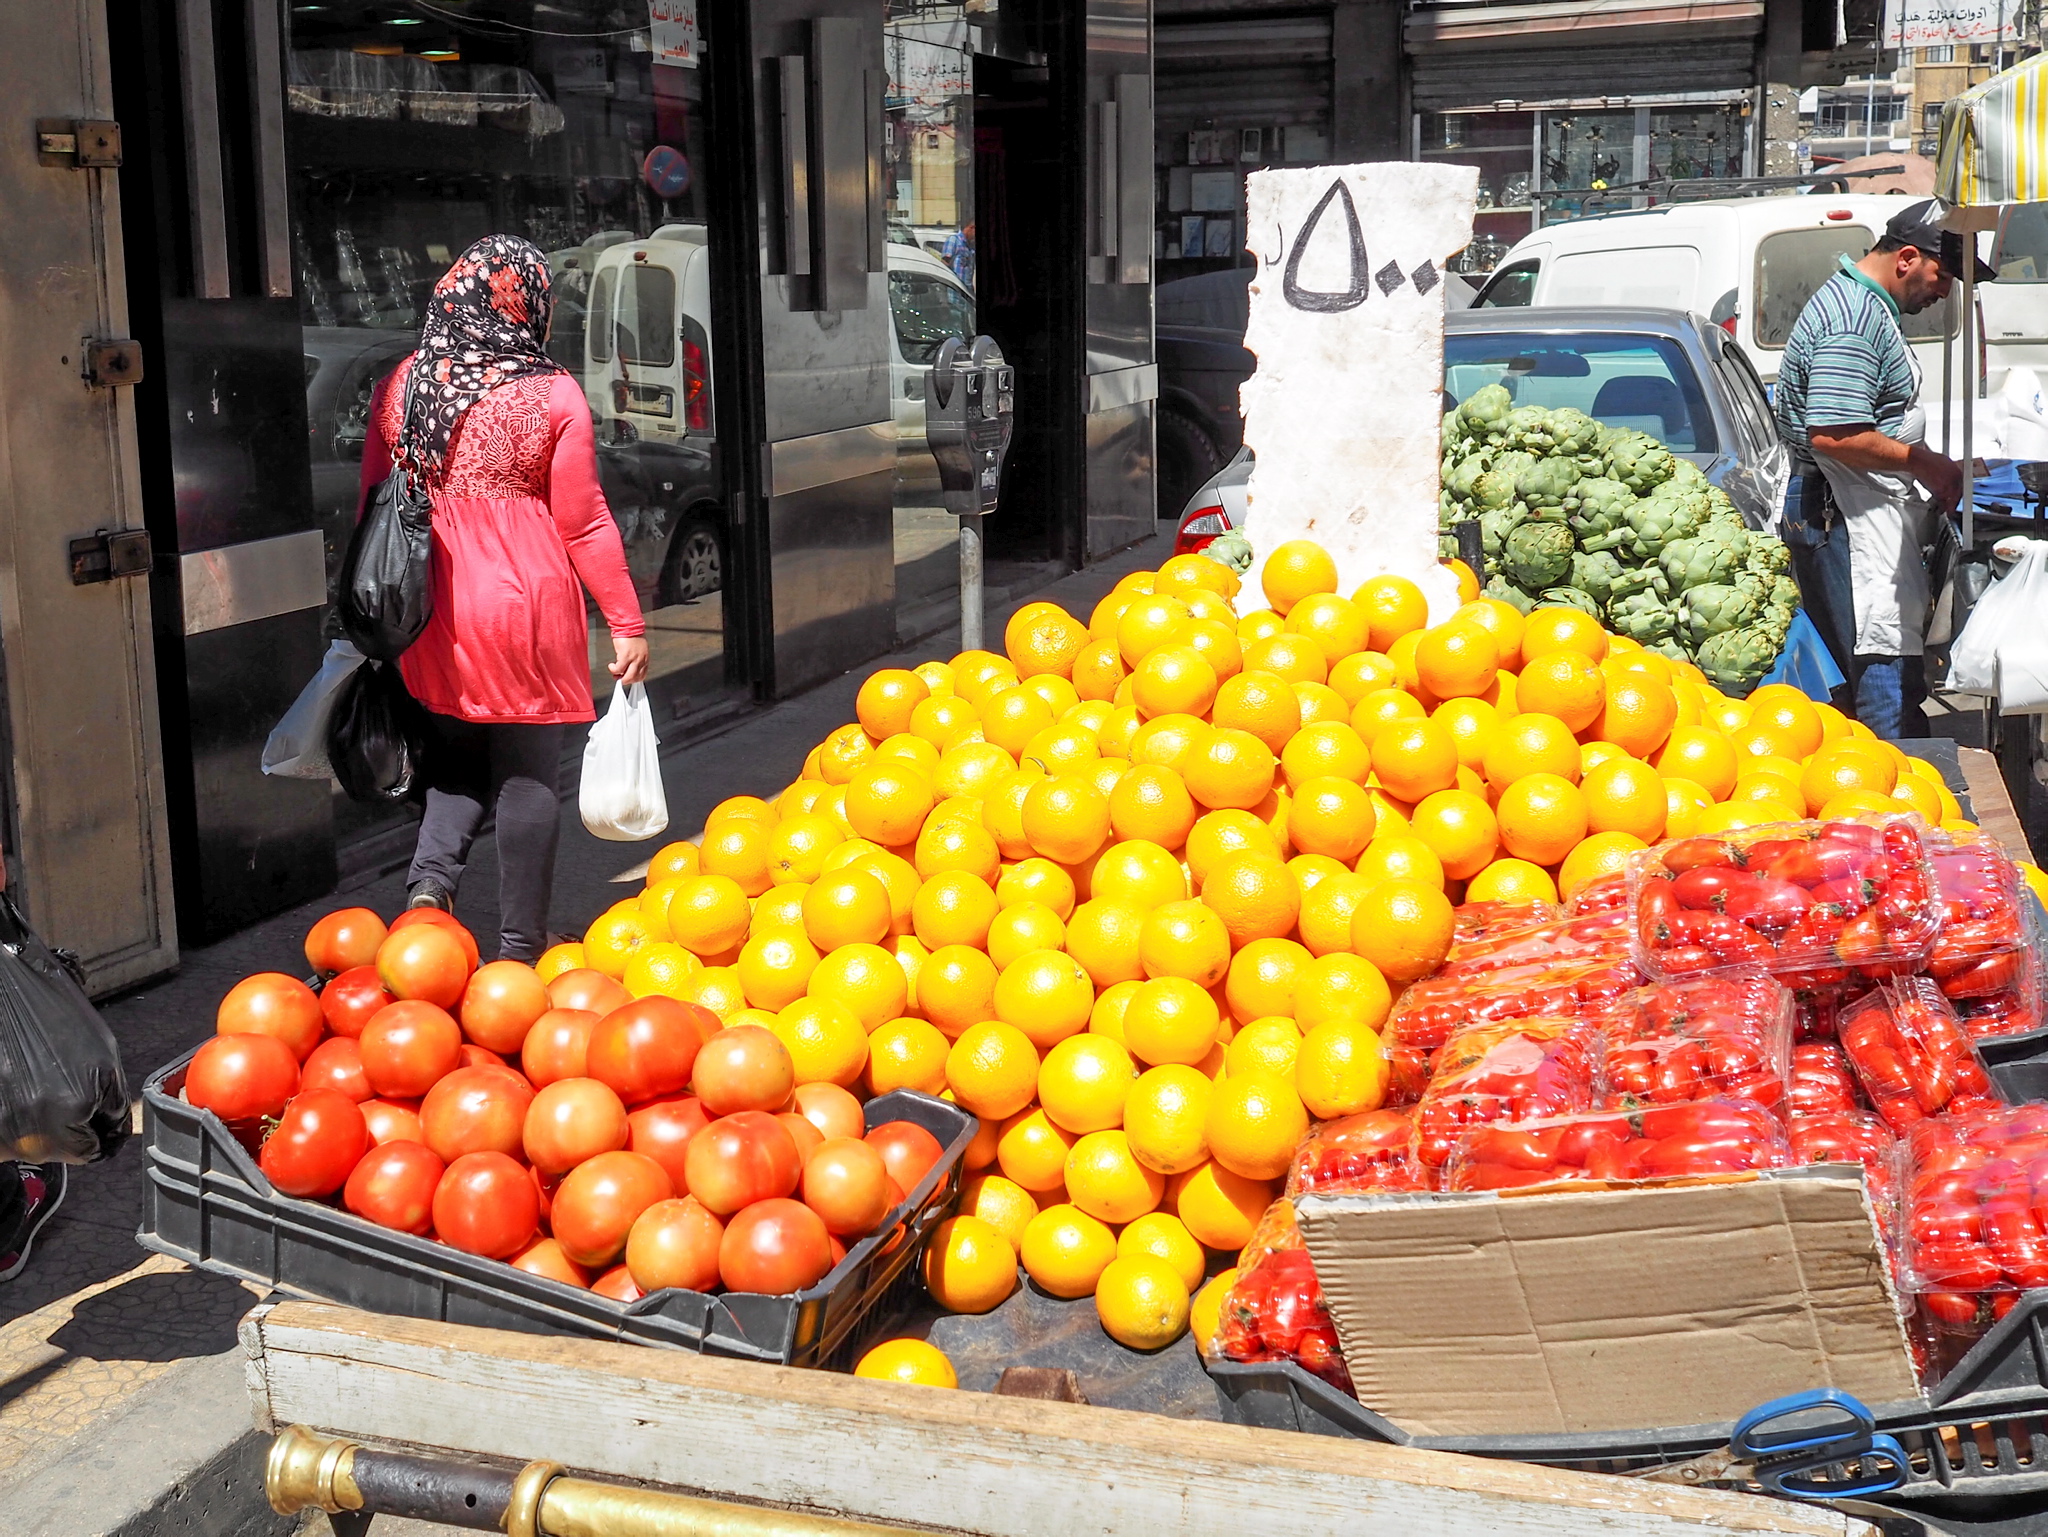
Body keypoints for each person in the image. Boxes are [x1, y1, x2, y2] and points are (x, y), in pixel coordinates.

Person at [360, 235, 648, 961]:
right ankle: (518, 950)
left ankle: (429, 891)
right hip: (524, 610)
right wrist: (627, 622)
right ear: (529, 305)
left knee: (456, 758)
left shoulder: (404, 384)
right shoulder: (551, 393)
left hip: (432, 608)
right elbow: (583, 521)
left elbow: (374, 497)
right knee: (525, 772)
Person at [1773, 199, 1992, 739]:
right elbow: (1834, 432)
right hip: (1844, 518)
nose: (1945, 291)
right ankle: (1889, 799)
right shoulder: (1852, 318)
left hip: (1864, 509)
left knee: (1890, 669)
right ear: (1908, 258)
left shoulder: (1868, 307)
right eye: (1943, 275)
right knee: (1879, 671)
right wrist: (1928, 465)